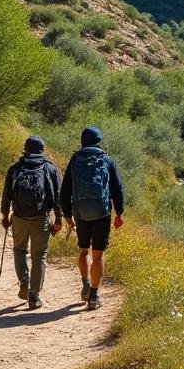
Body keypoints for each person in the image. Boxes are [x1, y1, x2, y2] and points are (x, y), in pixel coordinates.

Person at [61, 126, 124, 311]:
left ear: (82, 141)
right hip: (102, 213)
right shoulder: (107, 160)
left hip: (80, 212)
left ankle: (85, 284)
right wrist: (119, 213)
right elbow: (117, 189)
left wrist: (68, 215)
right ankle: (94, 296)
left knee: (83, 250)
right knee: (98, 255)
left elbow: (64, 192)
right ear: (99, 141)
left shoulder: (74, 160)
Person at [0, 136, 63, 310]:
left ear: (25, 149)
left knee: (19, 250)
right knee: (39, 256)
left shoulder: (15, 168)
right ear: (42, 150)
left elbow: (6, 196)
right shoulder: (50, 168)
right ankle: (34, 295)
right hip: (40, 217)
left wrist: (5, 216)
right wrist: (58, 218)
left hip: (19, 217)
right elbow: (57, 196)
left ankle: (23, 283)